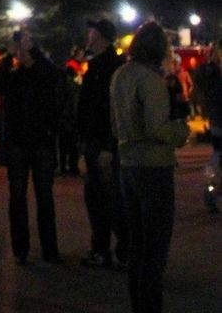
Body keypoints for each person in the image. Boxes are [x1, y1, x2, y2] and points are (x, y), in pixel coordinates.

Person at [110, 21, 189, 313]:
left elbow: (114, 121)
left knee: (137, 246)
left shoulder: (120, 75)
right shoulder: (150, 80)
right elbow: (158, 128)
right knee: (155, 249)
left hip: (127, 163)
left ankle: (138, 305)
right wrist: (181, 133)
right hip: (154, 167)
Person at [0, 31, 61, 265]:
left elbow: (53, 78)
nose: (19, 50)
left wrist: (34, 51)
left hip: (41, 141)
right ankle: (20, 248)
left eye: (22, 46)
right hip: (18, 143)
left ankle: (49, 249)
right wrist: (7, 57)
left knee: (44, 196)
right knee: (17, 196)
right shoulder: (14, 74)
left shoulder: (44, 71)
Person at [77, 18, 128, 269]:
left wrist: (108, 144)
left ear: (102, 36)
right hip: (97, 141)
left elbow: (108, 109)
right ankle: (111, 248)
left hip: (103, 143)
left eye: (92, 31)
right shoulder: (99, 65)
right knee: (102, 197)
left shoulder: (108, 67)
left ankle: (117, 248)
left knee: (105, 199)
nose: (88, 34)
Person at [192, 39, 221, 214]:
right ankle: (211, 195)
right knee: (218, 158)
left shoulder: (211, 71)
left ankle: (211, 195)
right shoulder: (211, 71)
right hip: (219, 118)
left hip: (216, 118)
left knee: (217, 157)